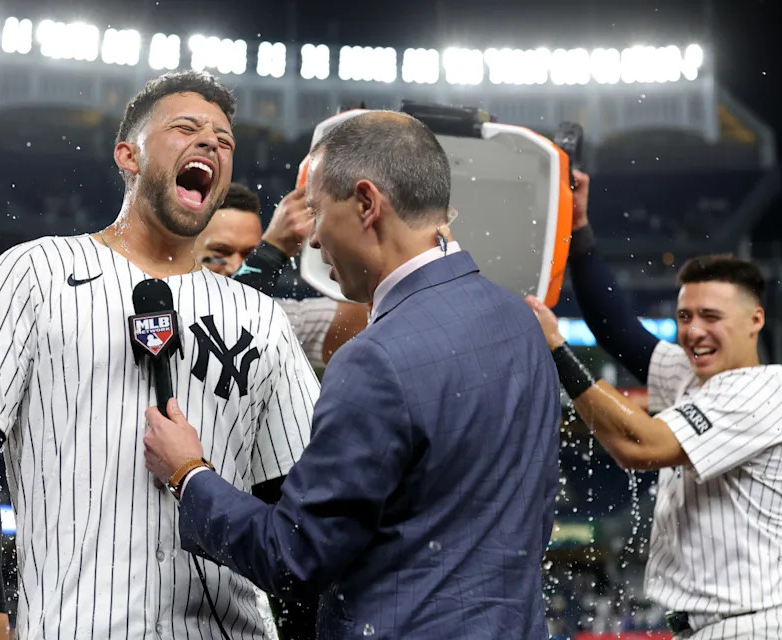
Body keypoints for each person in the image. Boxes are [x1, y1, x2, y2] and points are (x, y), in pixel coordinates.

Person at [0, 70, 320, 640]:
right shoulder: (35, 272)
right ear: (128, 154)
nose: (210, 145)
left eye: (224, 141)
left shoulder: (262, 317)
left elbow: (298, 505)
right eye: (186, 128)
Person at [141, 110, 561, 639]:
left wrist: (189, 475)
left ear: (366, 203)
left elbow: (294, 556)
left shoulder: (375, 359)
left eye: (317, 211)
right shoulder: (521, 323)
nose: (313, 240)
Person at [524, 170, 782, 639]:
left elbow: (640, 446)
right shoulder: (694, 374)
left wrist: (557, 349)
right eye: (685, 316)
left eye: (711, 316)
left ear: (755, 319)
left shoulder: (759, 395)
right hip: (707, 629)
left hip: (750, 629)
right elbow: (618, 331)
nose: (694, 331)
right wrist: (580, 228)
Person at [194, 182, 369, 368]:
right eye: (220, 253)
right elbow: (220, 330)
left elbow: (372, 317)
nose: (237, 266)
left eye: (249, 255)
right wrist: (271, 251)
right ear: (184, 253)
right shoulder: (166, 315)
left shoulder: (274, 322)